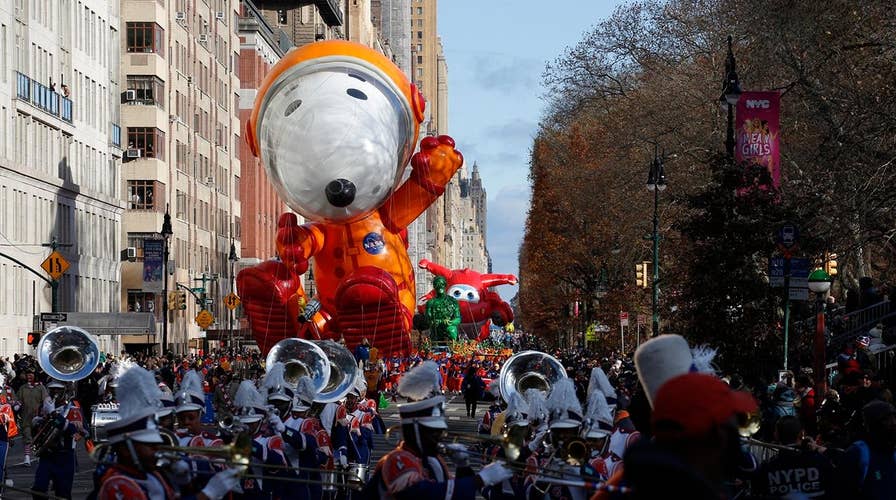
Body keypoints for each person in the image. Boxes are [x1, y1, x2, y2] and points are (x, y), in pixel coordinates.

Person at [362, 361, 513, 499]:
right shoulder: (396, 460)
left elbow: (457, 495)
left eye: (439, 431)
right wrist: (480, 479)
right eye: (431, 431)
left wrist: (463, 467)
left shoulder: (433, 461)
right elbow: (425, 494)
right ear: (414, 430)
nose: (439, 436)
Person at [94, 363, 240, 500]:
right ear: (126, 449)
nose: (157, 449)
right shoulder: (117, 483)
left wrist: (185, 481)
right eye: (149, 446)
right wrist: (208, 494)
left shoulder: (151, 474)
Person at [751, 415, 835, 498]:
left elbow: (757, 489)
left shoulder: (768, 467)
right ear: (802, 433)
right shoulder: (821, 461)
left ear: (776, 435)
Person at [32, 379, 87, 500]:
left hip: (65, 456)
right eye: (52, 389)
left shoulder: (73, 408)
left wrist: (53, 414)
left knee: (63, 494)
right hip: (46, 455)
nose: (55, 392)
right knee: (38, 489)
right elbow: (37, 432)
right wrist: (37, 422)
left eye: (58, 389)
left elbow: (72, 430)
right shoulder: (44, 406)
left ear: (64, 391)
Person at [836, 400, 896, 499]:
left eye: (894, 417)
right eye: (886, 419)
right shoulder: (858, 453)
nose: (893, 423)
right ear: (873, 424)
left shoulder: (892, 451)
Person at [16, 369, 48, 466]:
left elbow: (46, 400)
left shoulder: (41, 387)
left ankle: (39, 456)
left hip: (38, 417)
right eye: (27, 375)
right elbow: (18, 399)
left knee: (38, 437)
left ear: (35, 376)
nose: (29, 376)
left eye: (31, 375)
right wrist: (17, 404)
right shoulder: (23, 388)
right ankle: (27, 458)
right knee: (27, 437)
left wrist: (44, 411)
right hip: (26, 417)